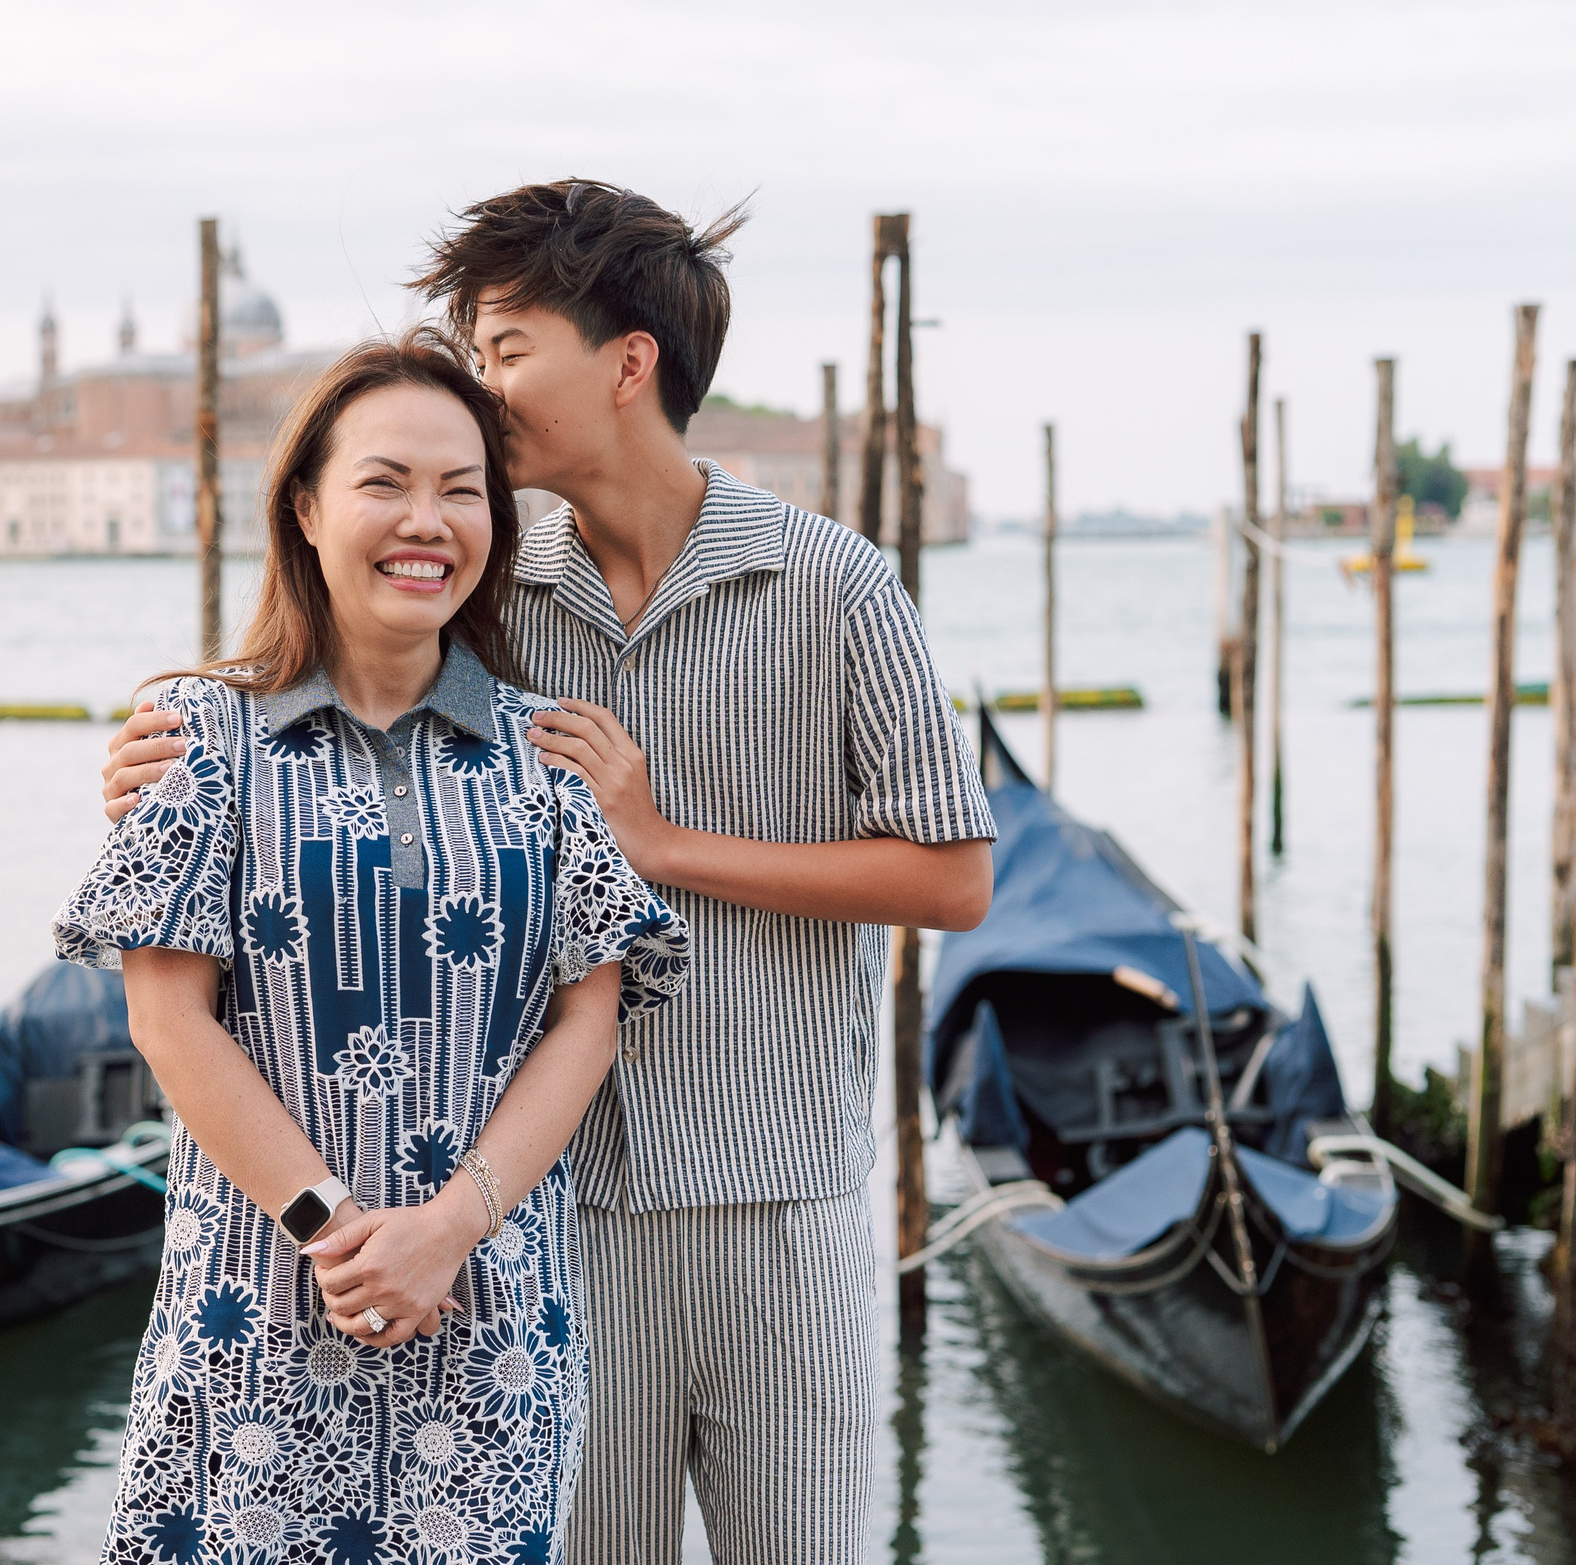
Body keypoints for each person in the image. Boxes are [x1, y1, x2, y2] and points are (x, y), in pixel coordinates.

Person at [102, 183, 995, 1564]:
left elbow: (952, 880)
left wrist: (666, 848)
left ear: (629, 363)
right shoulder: (488, 586)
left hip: (775, 1185)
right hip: (550, 1206)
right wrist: (165, 767)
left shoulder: (833, 586)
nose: (483, 383)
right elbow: (323, 712)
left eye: (507, 348)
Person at [54, 328, 690, 1565]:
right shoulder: (199, 733)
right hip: (254, 1308)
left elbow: (589, 1020)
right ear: (304, 506)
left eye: (462, 490)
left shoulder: (545, 751)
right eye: (385, 482)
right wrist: (336, 1228)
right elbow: (167, 1018)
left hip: (488, 1318)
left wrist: (446, 1230)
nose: (426, 522)